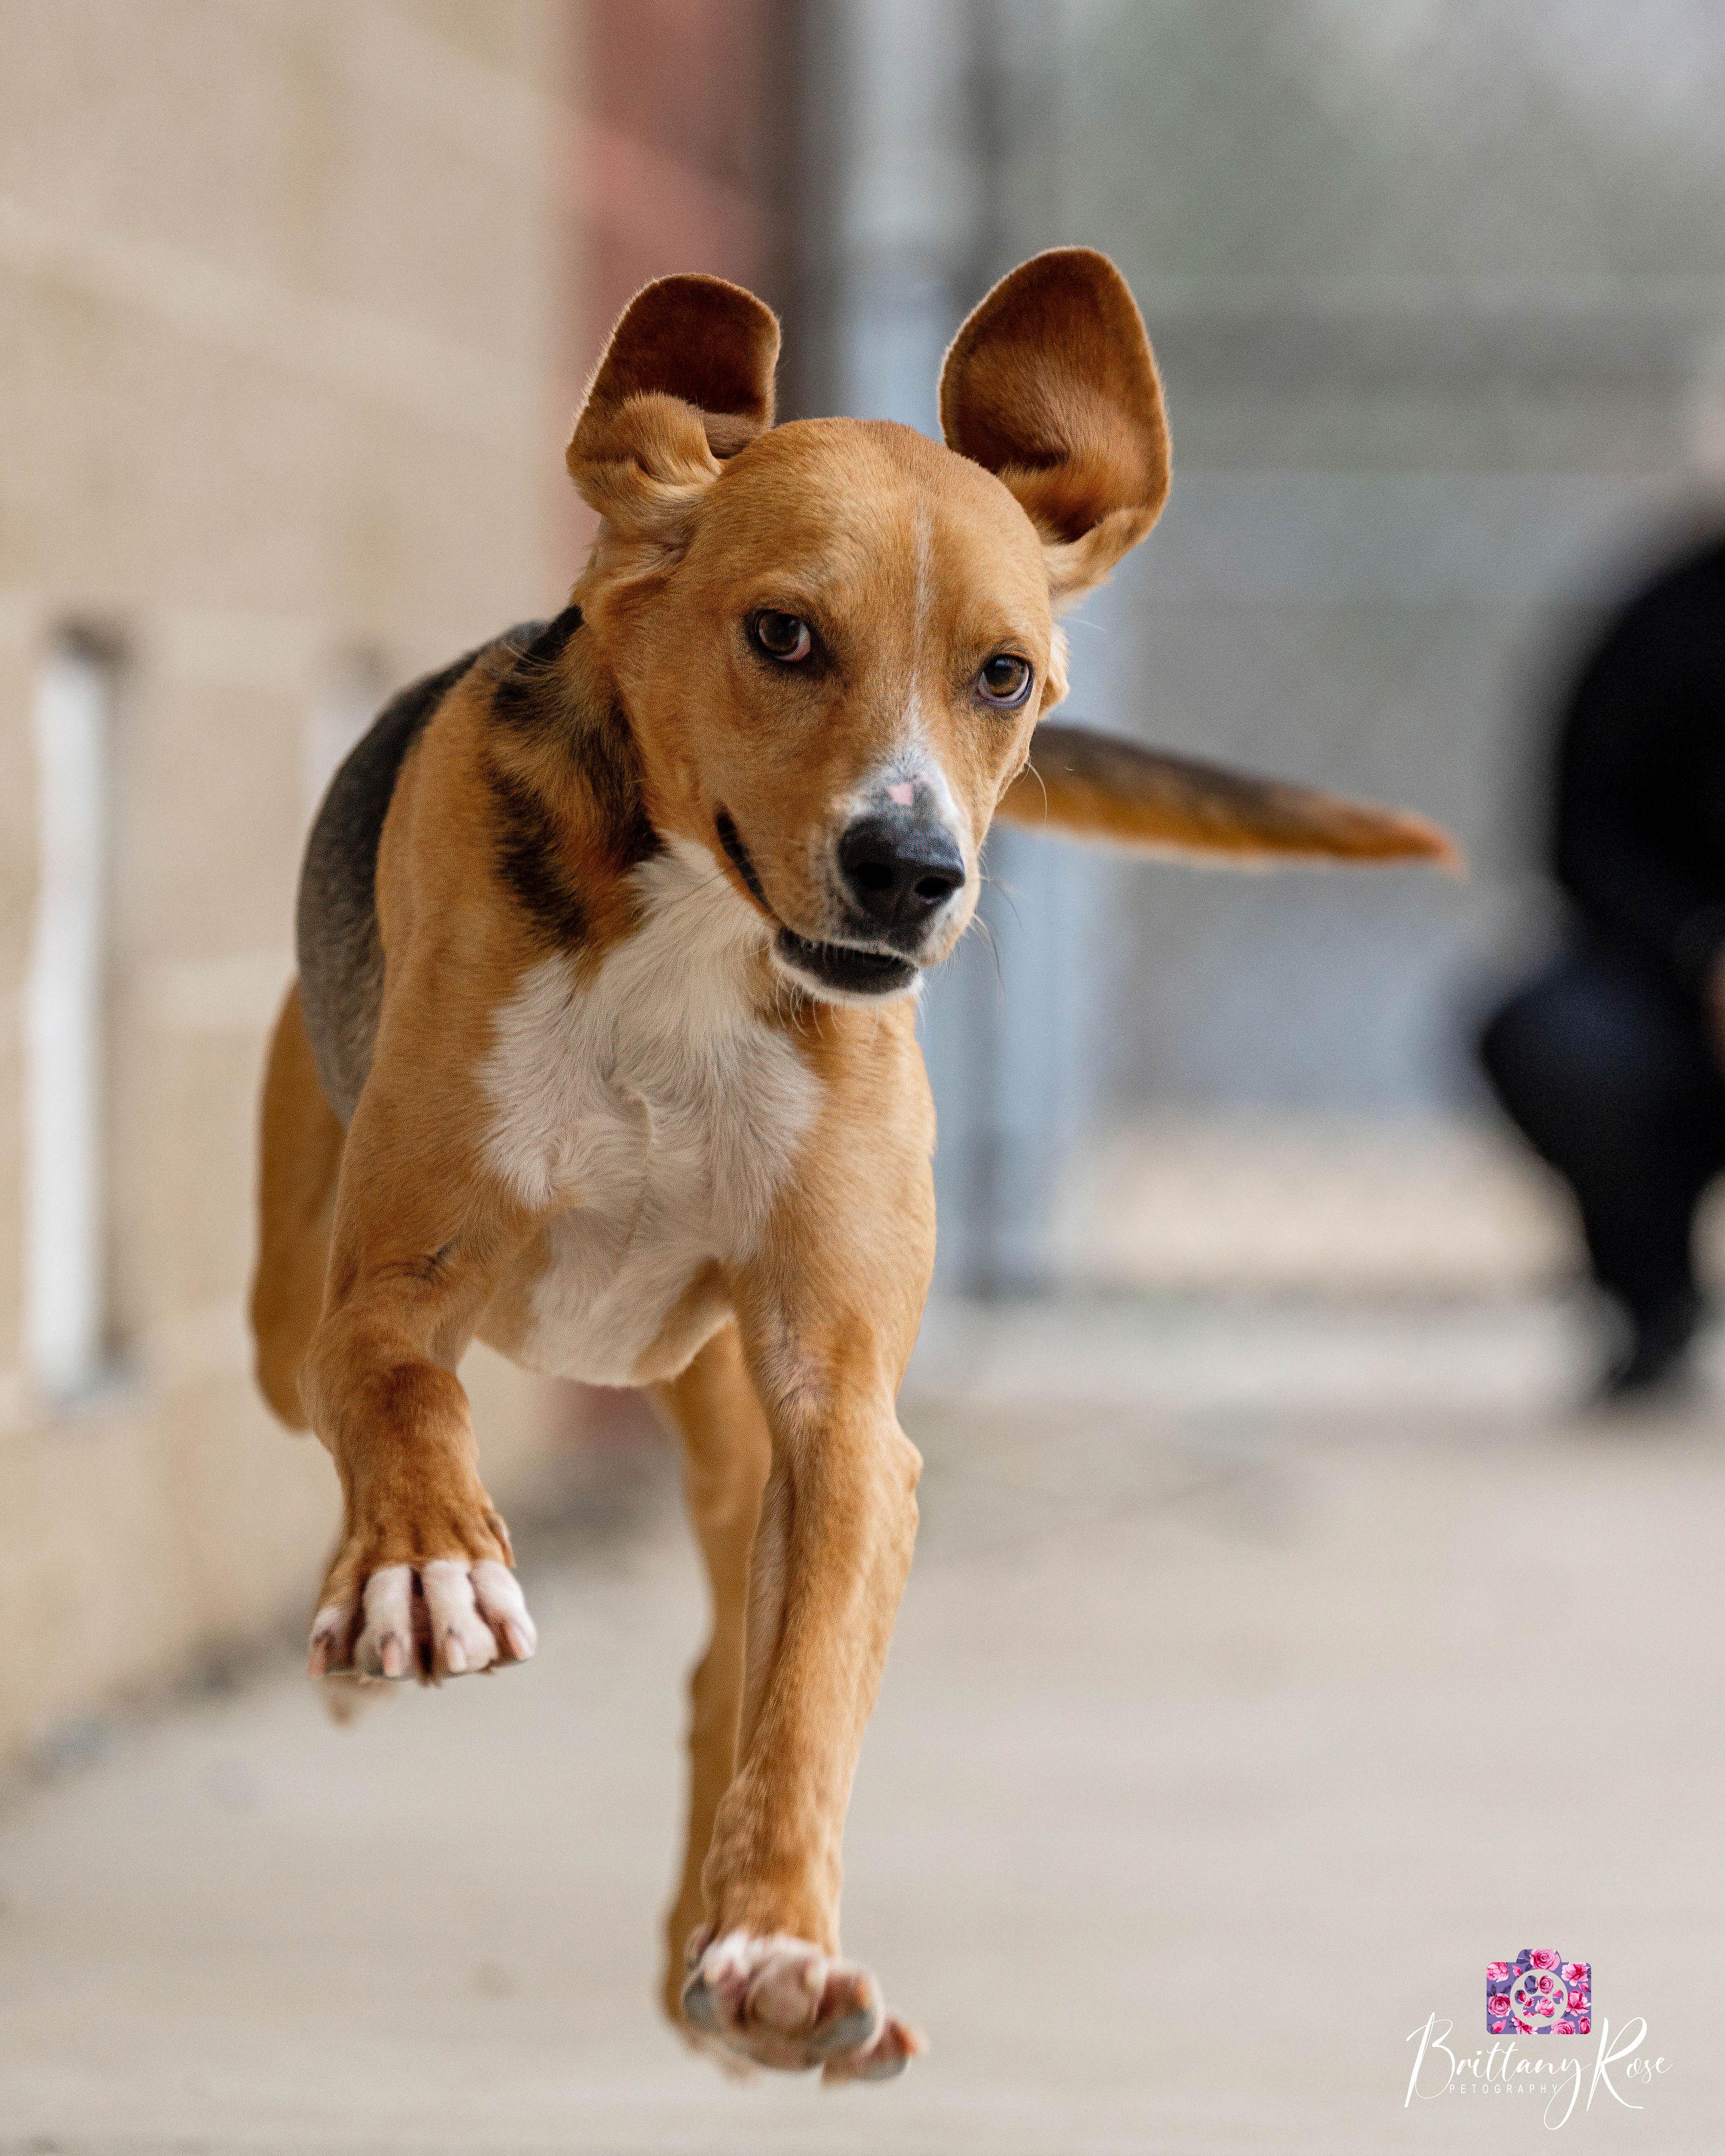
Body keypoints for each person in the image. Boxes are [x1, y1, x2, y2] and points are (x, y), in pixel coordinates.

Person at [1481, 526, 1725, 1400]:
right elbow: (1584, 842)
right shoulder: (1666, 620)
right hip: (1675, 996)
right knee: (1565, 1044)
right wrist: (1701, 953)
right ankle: (1648, 1298)